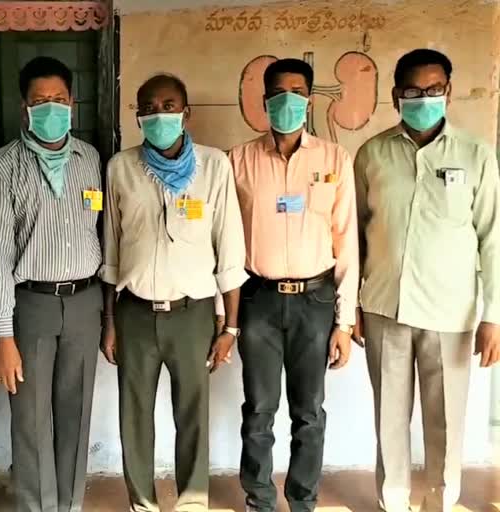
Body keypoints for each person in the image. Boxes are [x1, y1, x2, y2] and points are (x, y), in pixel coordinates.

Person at [354, 48, 500, 512]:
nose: (424, 98)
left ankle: (440, 500)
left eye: (434, 90)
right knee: (388, 420)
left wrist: (493, 316)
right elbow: (355, 234)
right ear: (396, 95)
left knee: (444, 421)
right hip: (383, 307)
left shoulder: (477, 154)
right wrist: (350, 308)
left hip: (450, 311)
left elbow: (492, 238)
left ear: (448, 91)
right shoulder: (371, 154)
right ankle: (392, 501)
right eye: (414, 91)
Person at [100, 74, 247, 512]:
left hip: (194, 313)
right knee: (135, 416)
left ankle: (192, 502)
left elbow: (230, 250)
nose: (160, 114)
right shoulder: (120, 168)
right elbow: (110, 251)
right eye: (150, 106)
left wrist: (231, 327)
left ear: (186, 112)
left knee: (192, 415)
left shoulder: (214, 165)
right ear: (138, 115)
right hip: (135, 314)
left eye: (170, 104)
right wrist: (110, 323)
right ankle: (142, 502)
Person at [228, 58, 359, 512]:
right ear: (264, 102)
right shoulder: (238, 160)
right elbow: (226, 241)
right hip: (258, 299)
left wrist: (345, 321)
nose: (288, 100)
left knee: (309, 414)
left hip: (316, 301)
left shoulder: (334, 159)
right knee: (259, 411)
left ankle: (303, 501)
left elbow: (347, 242)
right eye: (279, 93)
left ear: (308, 99)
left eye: (298, 91)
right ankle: (259, 499)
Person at [0, 56, 103, 512]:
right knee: (30, 420)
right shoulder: (0, 169)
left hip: (86, 301)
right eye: (39, 101)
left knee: (75, 413)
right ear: (24, 107)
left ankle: (69, 505)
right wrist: (3, 337)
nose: (50, 108)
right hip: (29, 306)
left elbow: (102, 231)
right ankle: (36, 507)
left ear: (73, 102)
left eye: (58, 99)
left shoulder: (91, 159)